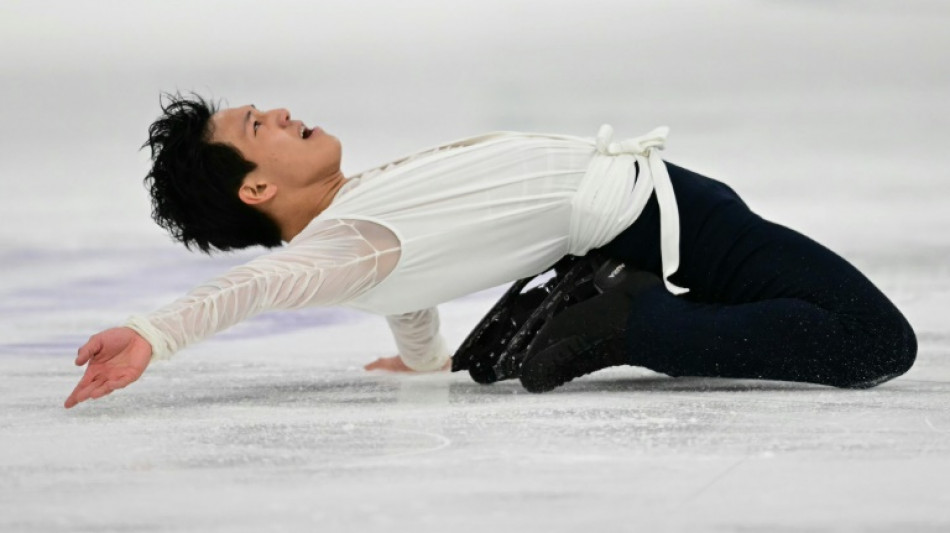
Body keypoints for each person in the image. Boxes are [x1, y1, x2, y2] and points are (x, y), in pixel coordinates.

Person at [63, 93, 917, 408]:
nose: (281, 111)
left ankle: (602, 301)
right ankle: (621, 318)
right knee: (873, 341)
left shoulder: (355, 226)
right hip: (664, 225)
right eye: (258, 127)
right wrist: (154, 332)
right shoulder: (340, 242)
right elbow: (256, 283)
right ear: (256, 189)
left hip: (648, 221)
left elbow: (406, 274)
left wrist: (422, 356)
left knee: (805, 322)